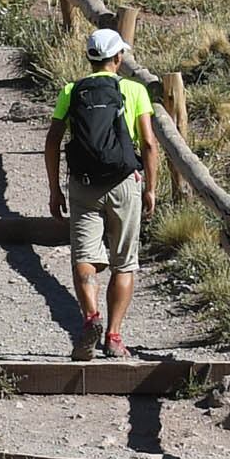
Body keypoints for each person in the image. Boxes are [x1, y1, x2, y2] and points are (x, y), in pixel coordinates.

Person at [42, 28, 160, 362]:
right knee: (124, 262)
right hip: (125, 182)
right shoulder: (134, 90)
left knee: (83, 257)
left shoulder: (71, 90)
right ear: (118, 57)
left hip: (83, 183)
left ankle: (91, 317)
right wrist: (150, 187)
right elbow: (149, 143)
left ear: (89, 57)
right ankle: (113, 336)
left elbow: (52, 141)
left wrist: (55, 189)